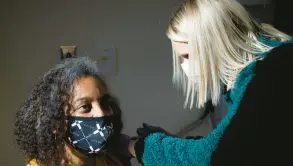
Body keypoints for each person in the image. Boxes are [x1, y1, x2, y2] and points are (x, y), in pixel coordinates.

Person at [128, 0, 293, 165]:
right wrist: (172, 142)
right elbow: (241, 147)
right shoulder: (253, 78)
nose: (184, 66)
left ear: (216, 43)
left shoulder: (269, 74)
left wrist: (138, 147)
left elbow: (213, 155)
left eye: (186, 56)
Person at [14, 57, 132, 166]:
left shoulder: (114, 159)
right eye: (85, 107)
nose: (101, 113)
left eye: (104, 103)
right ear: (55, 122)